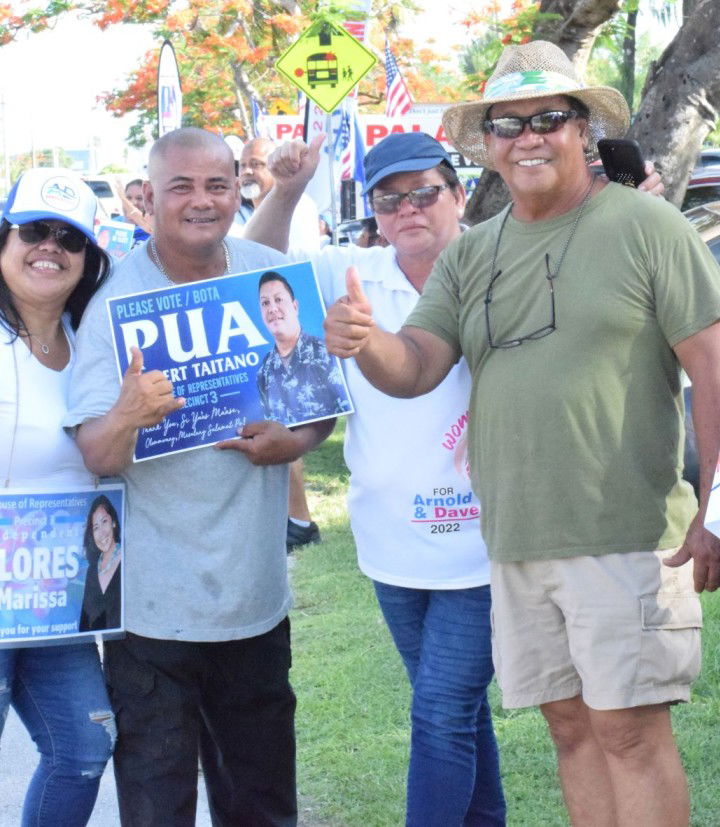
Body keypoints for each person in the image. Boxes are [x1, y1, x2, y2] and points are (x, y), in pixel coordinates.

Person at [321, 40, 720, 826]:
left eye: (549, 117)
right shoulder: (472, 253)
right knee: (571, 728)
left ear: (582, 129)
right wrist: (364, 339)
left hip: (629, 533)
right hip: (512, 540)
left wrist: (718, 506)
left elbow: (715, 371)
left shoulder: (647, 226)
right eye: (507, 125)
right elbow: (414, 365)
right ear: (486, 147)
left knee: (629, 731)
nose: (528, 137)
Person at [65, 127, 334, 826]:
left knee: (262, 802)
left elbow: (317, 414)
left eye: (216, 184)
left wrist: (292, 439)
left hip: (253, 599)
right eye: (180, 186)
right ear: (148, 197)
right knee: (158, 808)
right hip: (151, 616)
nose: (200, 200)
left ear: (238, 189)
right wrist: (127, 412)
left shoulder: (267, 275)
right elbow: (97, 453)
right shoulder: (114, 304)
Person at [248, 130, 505, 827]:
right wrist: (288, 188)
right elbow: (256, 265)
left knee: (440, 710)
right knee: (451, 707)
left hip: (483, 543)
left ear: (458, 195)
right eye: (389, 200)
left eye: (425, 192)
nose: (407, 210)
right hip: (391, 543)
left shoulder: (504, 260)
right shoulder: (350, 270)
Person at [0, 168, 115, 825]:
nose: (51, 246)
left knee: (84, 744)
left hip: (58, 598)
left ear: (89, 260)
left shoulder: (91, 346)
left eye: (69, 237)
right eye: (34, 230)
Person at [234, 138, 324, 549]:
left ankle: (300, 521)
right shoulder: (242, 210)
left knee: (288, 429)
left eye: (256, 163)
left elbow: (276, 264)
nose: (248, 172)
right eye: (243, 165)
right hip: (256, 333)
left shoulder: (297, 207)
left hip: (290, 334)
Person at [255, 270, 349, 425]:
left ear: (295, 307)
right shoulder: (264, 371)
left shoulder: (326, 353)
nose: (272, 309)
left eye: (278, 299)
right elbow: (269, 422)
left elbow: (345, 416)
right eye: (265, 303)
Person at [79, 494, 123, 632]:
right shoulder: (92, 570)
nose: (102, 532)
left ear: (114, 522)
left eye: (104, 521)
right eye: (96, 527)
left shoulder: (128, 559)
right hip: (107, 650)